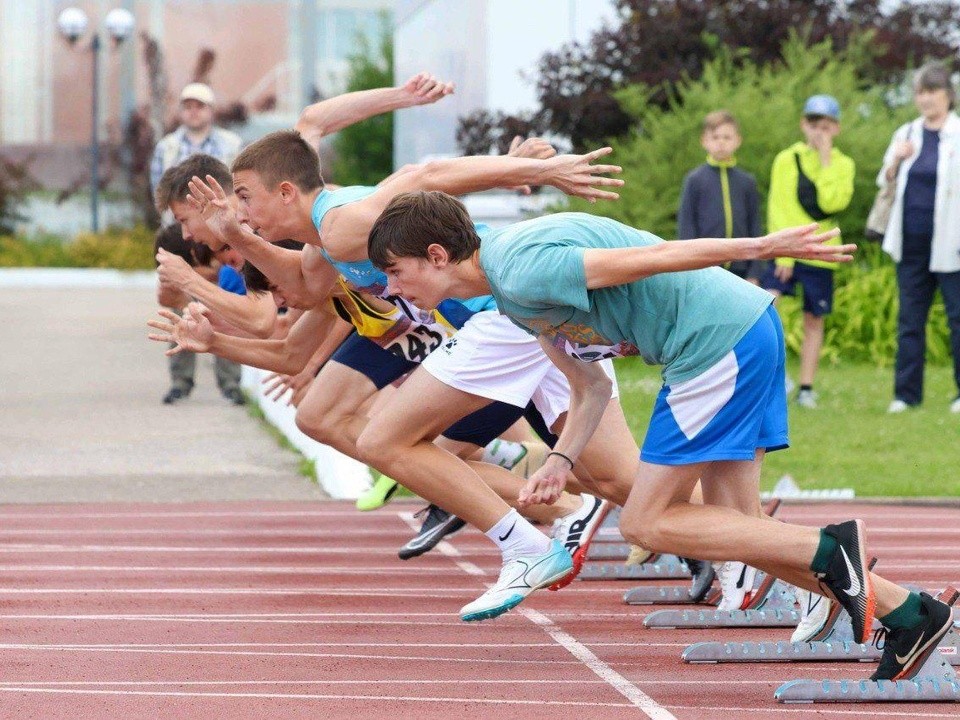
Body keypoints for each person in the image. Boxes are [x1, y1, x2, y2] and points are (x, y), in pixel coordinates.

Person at [365, 190, 953, 682]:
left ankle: (831, 548)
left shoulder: (521, 266)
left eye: (394, 271)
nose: (390, 289)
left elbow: (657, 256)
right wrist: (561, 459)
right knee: (741, 534)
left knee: (646, 522)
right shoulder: (510, 296)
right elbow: (590, 386)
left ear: (437, 255)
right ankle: (909, 613)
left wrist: (759, 247)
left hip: (714, 344)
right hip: (739, 332)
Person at [151, 83, 244, 405]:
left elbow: (238, 188)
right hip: (180, 237)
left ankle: (230, 383)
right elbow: (158, 193)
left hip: (220, 235)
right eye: (188, 105)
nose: (193, 111)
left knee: (225, 299)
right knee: (178, 303)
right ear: (181, 110)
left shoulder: (231, 144)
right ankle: (180, 380)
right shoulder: (167, 146)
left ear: (210, 110)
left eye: (199, 105)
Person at [762, 95, 855, 409]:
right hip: (788, 249)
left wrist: (827, 159)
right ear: (803, 124)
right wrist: (784, 253)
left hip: (822, 252)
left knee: (814, 318)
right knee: (765, 307)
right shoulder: (786, 159)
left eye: (826, 126)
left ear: (836, 129)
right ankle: (775, 377)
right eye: (814, 124)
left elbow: (833, 203)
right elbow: (779, 207)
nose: (819, 132)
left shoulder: (844, 164)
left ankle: (806, 387)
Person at [878, 62, 960, 414]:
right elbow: (885, 182)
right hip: (910, 244)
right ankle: (906, 395)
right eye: (921, 92)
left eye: (933, 91)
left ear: (948, 95)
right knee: (910, 320)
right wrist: (895, 160)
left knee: (957, 319)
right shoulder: (906, 132)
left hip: (952, 246)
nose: (926, 99)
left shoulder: (958, 133)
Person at [678, 110, 765, 284]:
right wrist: (689, 265)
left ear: (737, 140)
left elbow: (755, 225)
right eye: (715, 137)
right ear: (704, 141)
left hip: (741, 268)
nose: (721, 142)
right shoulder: (695, 179)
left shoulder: (747, 181)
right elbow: (686, 225)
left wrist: (755, 271)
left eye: (727, 137)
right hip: (705, 268)